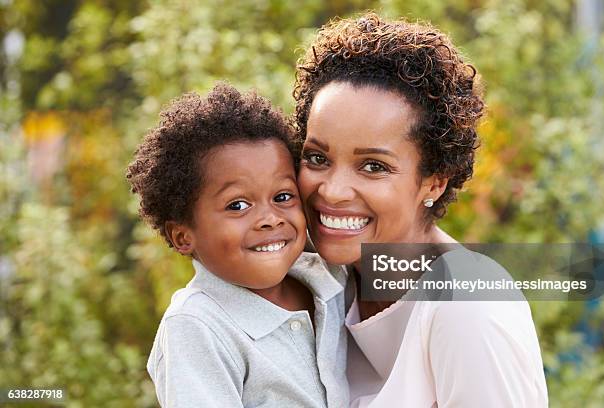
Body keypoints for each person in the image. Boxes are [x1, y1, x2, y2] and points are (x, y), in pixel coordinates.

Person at [293, 13, 548, 407]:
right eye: (316, 158)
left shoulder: (467, 304)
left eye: (373, 166)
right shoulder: (316, 278)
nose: (333, 190)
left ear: (434, 181)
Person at [126, 83, 348, 407]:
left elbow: (437, 270)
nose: (270, 218)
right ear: (183, 236)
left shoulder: (325, 271)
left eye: (283, 197)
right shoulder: (196, 326)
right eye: (238, 206)